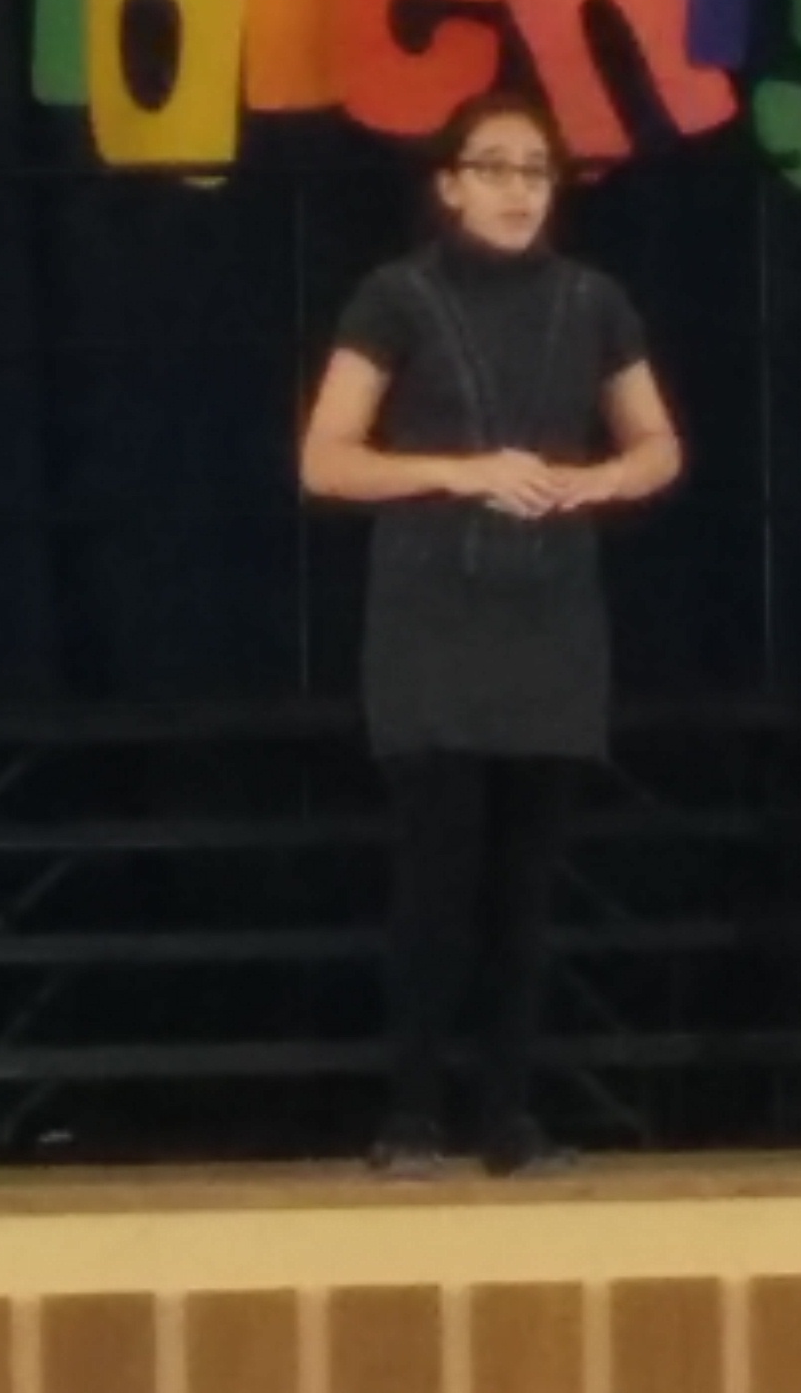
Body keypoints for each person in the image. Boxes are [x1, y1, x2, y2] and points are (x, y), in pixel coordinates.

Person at [298, 87, 683, 1176]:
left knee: (527, 888)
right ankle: (413, 1115)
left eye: (535, 171)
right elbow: (326, 458)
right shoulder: (397, 296)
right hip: (434, 620)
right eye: (495, 168)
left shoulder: (593, 301)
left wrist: (599, 480)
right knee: (437, 877)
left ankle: (510, 1115)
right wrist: (463, 471)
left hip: (549, 617)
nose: (518, 190)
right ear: (450, 183)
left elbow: (658, 444)